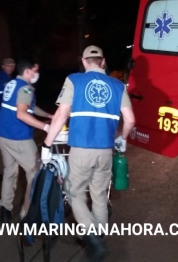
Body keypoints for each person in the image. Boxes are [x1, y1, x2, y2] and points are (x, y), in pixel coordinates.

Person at [41, 45, 135, 261]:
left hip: (81, 150)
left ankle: (91, 237)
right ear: (103, 62)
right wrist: (122, 138)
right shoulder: (118, 85)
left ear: (84, 62)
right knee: (99, 194)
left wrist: (47, 144)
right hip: (105, 151)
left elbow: (61, 115)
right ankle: (99, 238)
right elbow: (130, 120)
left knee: (74, 193)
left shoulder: (74, 80)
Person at [0, 58, 53, 223]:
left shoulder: (13, 84)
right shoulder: (26, 88)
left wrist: (49, 115)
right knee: (35, 173)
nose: (37, 74)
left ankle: (5, 209)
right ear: (27, 71)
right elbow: (21, 113)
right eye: (35, 70)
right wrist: (45, 127)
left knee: (9, 172)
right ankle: (28, 213)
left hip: (3, 136)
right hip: (19, 138)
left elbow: (29, 106)